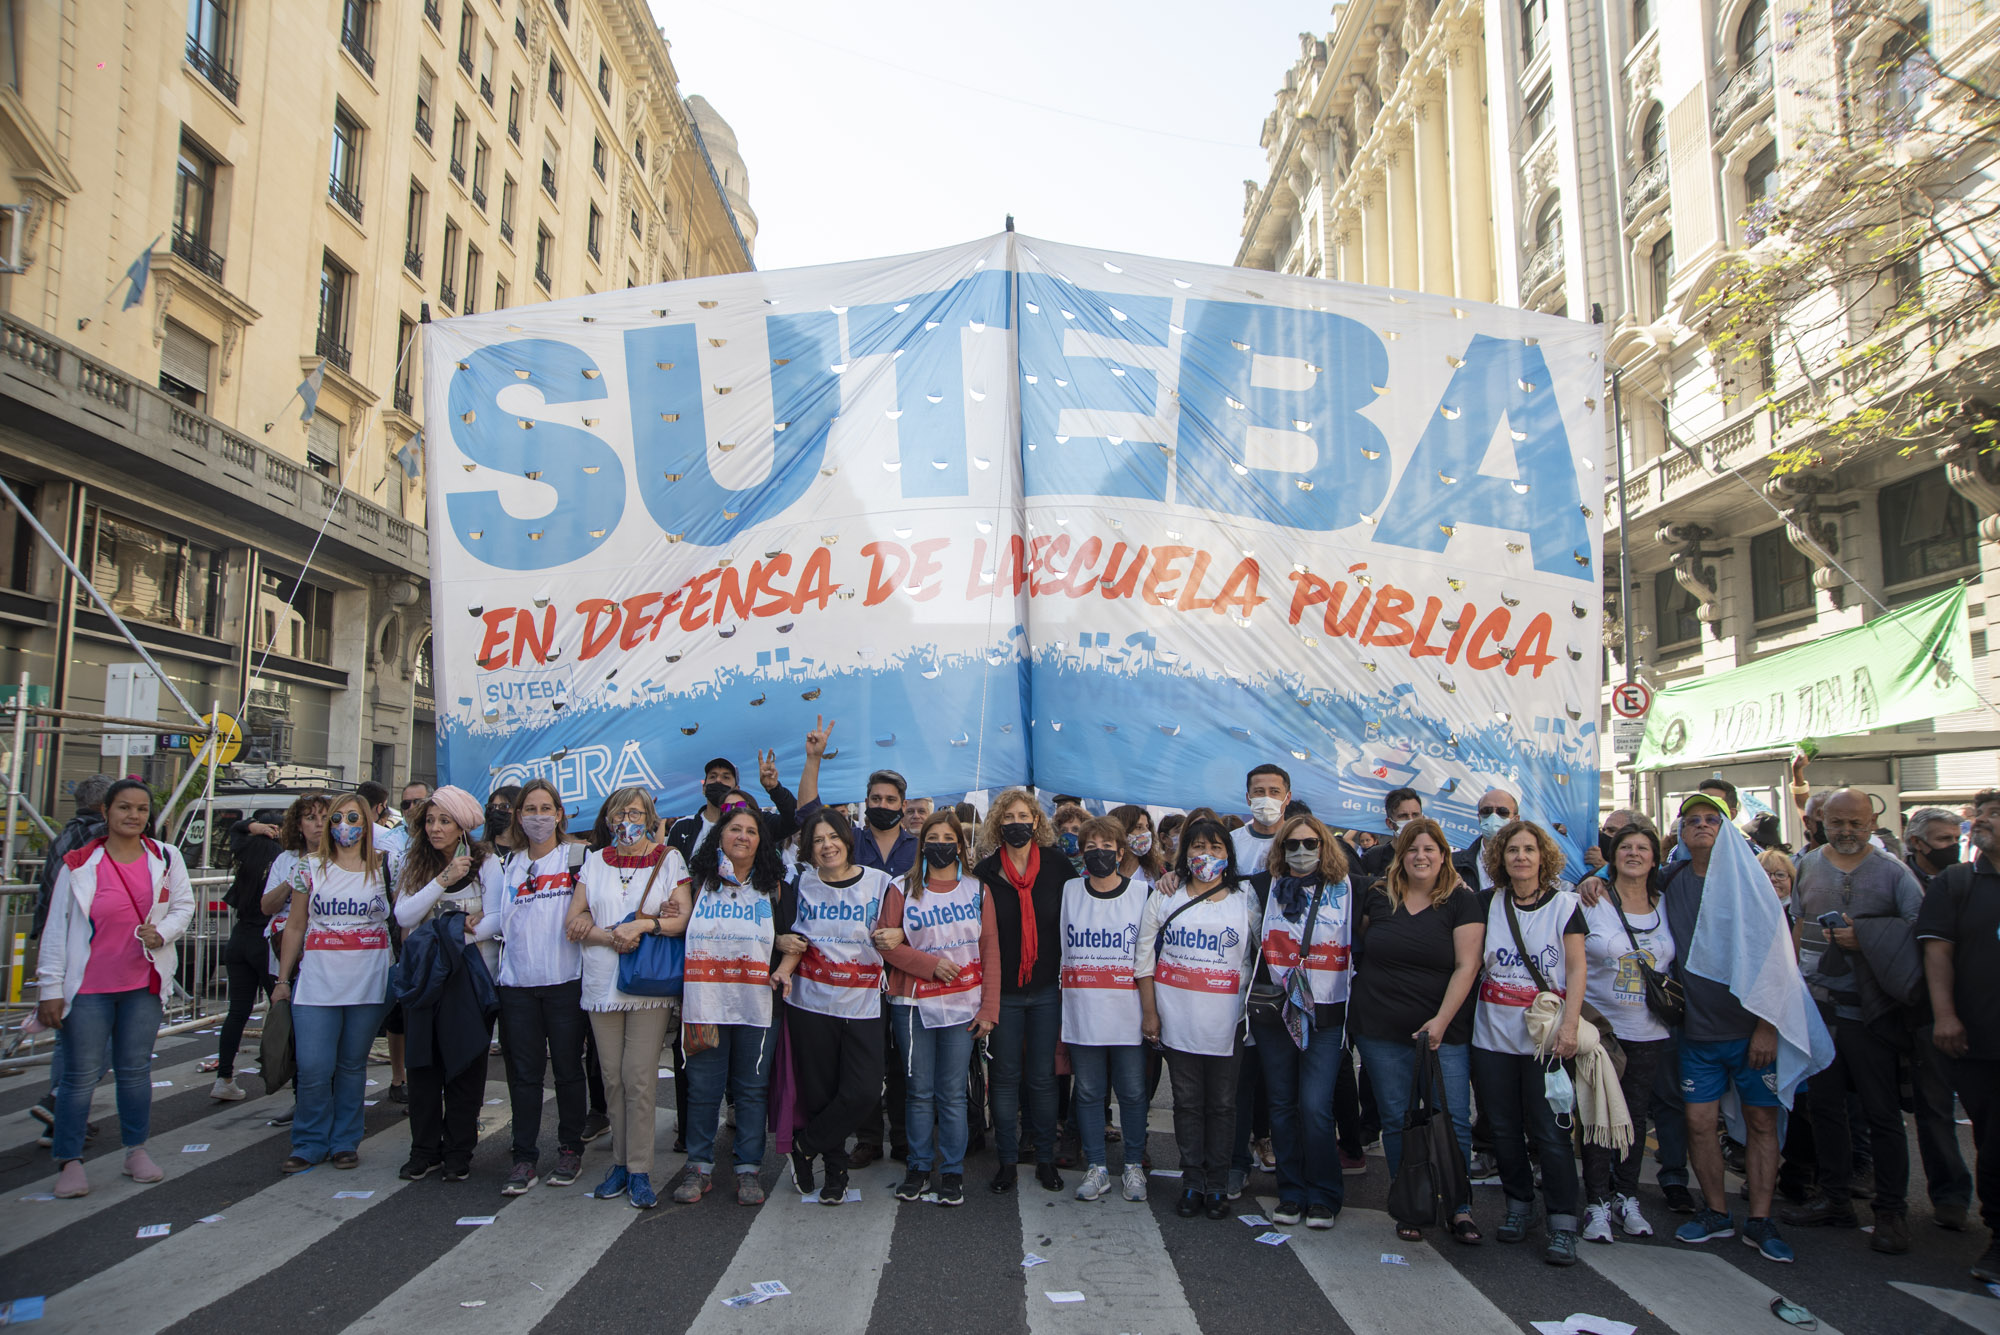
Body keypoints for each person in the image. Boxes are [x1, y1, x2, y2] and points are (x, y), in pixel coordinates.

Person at [36, 779, 194, 1198]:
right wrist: (49, 988)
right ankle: (69, 1160)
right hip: (88, 988)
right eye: (124, 807)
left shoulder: (166, 857)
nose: (133, 816)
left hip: (143, 985)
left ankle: (135, 1150)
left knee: (135, 1071)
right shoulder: (79, 863)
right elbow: (56, 929)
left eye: (141, 809)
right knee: (79, 1075)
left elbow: (183, 906)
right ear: (105, 812)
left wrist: (163, 932)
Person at [1782, 788, 1923, 1253]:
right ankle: (1835, 1199)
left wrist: (1867, 938)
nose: (1845, 831)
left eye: (1855, 823)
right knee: (1825, 1108)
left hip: (1870, 1012)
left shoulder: (1894, 872)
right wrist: (1793, 986)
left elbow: (1920, 932)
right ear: (1821, 822)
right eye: (1836, 822)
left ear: (1872, 824)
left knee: (1881, 1113)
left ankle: (1891, 1212)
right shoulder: (1808, 865)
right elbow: (1797, 925)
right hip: (1818, 1008)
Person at [1660, 791, 1795, 1262]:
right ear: (1680, 832)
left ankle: (1760, 1219)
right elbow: (1622, 876)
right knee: (1699, 1125)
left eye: (1711, 819)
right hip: (1697, 1033)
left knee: (1761, 1122)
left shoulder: (1751, 883)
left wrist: (1767, 1027)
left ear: (1727, 829)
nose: (1701, 825)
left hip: (1751, 1032)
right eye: (1692, 820)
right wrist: (1596, 882)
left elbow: (1778, 958)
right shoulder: (1670, 879)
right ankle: (1716, 1212)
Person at [1352, 817, 1483, 1244]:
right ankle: (1410, 1201)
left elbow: (1467, 966)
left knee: (1453, 1119)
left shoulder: (1462, 901)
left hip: (1443, 1033)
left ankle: (1459, 1207)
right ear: (1400, 855)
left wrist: (1440, 1021)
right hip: (1380, 1030)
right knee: (1397, 1119)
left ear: (1443, 855)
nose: (1420, 856)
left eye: (1429, 849)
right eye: (1412, 849)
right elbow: (1363, 945)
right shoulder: (1377, 896)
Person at [564, 787, 689, 1208]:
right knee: (612, 1077)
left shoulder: (669, 859)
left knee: (639, 1077)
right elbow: (574, 918)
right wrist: (612, 936)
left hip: (647, 985)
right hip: (601, 983)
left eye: (634, 813)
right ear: (608, 819)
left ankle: (639, 1168)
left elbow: (681, 917)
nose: (626, 821)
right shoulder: (595, 861)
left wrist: (642, 926)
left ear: (650, 818)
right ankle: (618, 1162)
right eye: (619, 814)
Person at [1470, 818, 1586, 1265]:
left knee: (1551, 1133)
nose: (1521, 857)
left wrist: (1570, 1027)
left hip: (1546, 1039)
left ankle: (1562, 1221)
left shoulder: (1565, 905)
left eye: (1529, 850)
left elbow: (1576, 969)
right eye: (1512, 850)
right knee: (1502, 1129)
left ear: (1543, 857)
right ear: (1500, 858)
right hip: (1493, 1035)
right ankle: (1519, 1205)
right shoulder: (1487, 903)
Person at [675, 791, 800, 1204]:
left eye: (751, 831)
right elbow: (676, 925)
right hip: (705, 1002)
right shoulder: (697, 884)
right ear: (720, 836)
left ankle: (748, 1169)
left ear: (761, 841)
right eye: (735, 829)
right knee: (703, 1090)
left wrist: (783, 964)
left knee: (751, 1091)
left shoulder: (776, 889)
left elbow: (795, 943)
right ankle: (698, 1167)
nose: (743, 836)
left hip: (758, 1006)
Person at [1137, 815, 1262, 1220]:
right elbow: (1144, 958)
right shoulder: (1165, 895)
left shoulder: (1246, 898)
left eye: (1215, 847)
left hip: (1228, 1022)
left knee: (1223, 1104)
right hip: (1177, 1019)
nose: (1206, 854)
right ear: (1184, 852)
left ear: (1228, 854)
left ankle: (1217, 1184)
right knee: (1187, 1103)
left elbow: (1264, 952)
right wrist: (1150, 1013)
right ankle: (1192, 1181)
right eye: (1198, 846)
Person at [273, 791, 396, 1174]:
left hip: (369, 981)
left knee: (351, 1065)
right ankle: (308, 1142)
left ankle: (345, 1141)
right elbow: (295, 925)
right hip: (317, 982)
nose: (346, 826)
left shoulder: (384, 865)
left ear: (368, 825)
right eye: (338, 818)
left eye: (354, 818)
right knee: (313, 1067)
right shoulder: (308, 867)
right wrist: (282, 979)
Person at [780, 808, 900, 1205]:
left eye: (832, 837)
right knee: (820, 1093)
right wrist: (780, 944)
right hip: (811, 1002)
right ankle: (836, 1173)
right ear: (808, 848)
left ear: (847, 840)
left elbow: (907, 926)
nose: (826, 845)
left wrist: (899, 932)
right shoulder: (800, 883)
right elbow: (780, 931)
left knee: (865, 1090)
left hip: (863, 1002)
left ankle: (804, 1145)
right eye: (817, 840)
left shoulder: (881, 883)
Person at [881, 810, 999, 1206]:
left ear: (960, 846)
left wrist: (990, 1008)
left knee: (951, 1093)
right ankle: (918, 1167)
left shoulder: (978, 890)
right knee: (919, 1091)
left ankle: (951, 1171)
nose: (941, 845)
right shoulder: (901, 887)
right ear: (922, 845)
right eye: (933, 838)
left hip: (964, 1004)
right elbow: (885, 943)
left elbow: (990, 951)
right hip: (913, 1003)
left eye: (948, 839)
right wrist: (929, 966)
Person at [1247, 812, 1355, 1229]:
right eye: (1292, 844)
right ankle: (1291, 1192)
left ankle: (1324, 1194)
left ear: (1325, 846)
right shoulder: (1263, 886)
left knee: (1314, 1106)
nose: (1302, 851)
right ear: (1281, 849)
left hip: (1326, 1013)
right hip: (1275, 1012)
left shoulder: (1351, 888)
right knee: (1281, 1104)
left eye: (1311, 843)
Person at [391, 785, 504, 1181]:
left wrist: (450, 936)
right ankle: (424, 1149)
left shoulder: (486, 862)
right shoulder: (418, 862)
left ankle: (458, 1150)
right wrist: (443, 880)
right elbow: (405, 915)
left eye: (445, 821)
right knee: (423, 1067)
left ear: (462, 827)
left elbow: (497, 917)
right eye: (430, 821)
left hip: (471, 981)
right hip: (425, 981)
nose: (435, 828)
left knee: (465, 1067)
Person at [1578, 825, 1677, 1244]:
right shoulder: (1590, 899)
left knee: (1634, 1118)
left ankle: (1626, 1196)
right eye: (1626, 848)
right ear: (1613, 856)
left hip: (1649, 1030)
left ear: (1655, 858)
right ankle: (1596, 1202)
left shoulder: (1667, 904)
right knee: (1599, 1117)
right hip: (1602, 1029)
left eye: (1643, 848)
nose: (1634, 854)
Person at [1918, 788, 2000, 1281]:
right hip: (1981, 1043)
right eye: (1982, 813)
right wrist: (1945, 1016)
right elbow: (1938, 953)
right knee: (1994, 1143)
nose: (1983, 820)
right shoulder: (1958, 883)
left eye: (1996, 814)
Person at [493, 779, 590, 1195]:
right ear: (518, 817)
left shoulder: (579, 858)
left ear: (559, 814)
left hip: (565, 982)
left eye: (545, 808)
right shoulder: (508, 864)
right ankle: (524, 1157)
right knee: (524, 1076)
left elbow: (600, 905)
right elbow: (497, 917)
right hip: (517, 986)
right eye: (529, 810)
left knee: (568, 1071)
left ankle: (570, 1149)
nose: (538, 817)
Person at [973, 787, 1072, 1194]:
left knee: (1043, 1078)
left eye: (1023, 817)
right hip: (1005, 992)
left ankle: (1045, 1159)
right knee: (1004, 1077)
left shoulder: (1057, 865)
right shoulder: (984, 872)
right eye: (1008, 817)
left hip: (1046, 988)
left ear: (1036, 821)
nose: (1016, 823)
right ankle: (1007, 1163)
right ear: (998, 824)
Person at [1059, 816, 1151, 1205]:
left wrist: (1152, 1013)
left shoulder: (1142, 893)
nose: (1099, 852)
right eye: (1091, 846)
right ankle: (1096, 1166)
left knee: (1132, 1092)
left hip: (1128, 1013)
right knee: (1088, 1091)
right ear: (1081, 852)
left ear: (1121, 851)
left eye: (1107, 846)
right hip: (1083, 1010)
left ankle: (1132, 1165)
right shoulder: (1069, 891)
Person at [27, 775, 114, 1144]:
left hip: (57, 945)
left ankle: (60, 1118)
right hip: (87, 949)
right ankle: (59, 1101)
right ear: (106, 807)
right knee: (108, 1037)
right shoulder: (100, 837)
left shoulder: (65, 833)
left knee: (68, 1038)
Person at [210, 806, 286, 1102]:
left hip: (239, 937)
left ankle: (224, 1077)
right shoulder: (283, 858)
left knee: (237, 1012)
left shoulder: (244, 852)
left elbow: (234, 829)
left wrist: (251, 826)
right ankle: (283, 1073)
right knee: (282, 1010)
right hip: (266, 940)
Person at [664, 754, 801, 863]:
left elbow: (794, 820)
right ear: (704, 788)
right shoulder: (683, 827)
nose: (718, 780)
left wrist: (774, 789)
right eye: (712, 776)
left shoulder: (757, 820)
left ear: (737, 789)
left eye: (726, 777)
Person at [1452, 789, 1518, 890]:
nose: (1493, 816)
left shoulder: (1526, 864)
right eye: (1487, 811)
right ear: (1479, 817)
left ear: (1516, 820)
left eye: (1502, 812)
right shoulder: (1452, 864)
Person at [1231, 764, 1293, 874]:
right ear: (1248, 798)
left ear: (1287, 798)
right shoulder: (1231, 841)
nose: (1266, 798)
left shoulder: (1301, 842)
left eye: (1274, 791)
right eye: (1259, 791)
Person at [1361, 787, 1424, 879]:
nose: (1411, 820)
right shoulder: (1373, 857)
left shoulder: (1433, 856)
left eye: (1415, 815)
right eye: (1403, 816)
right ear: (1390, 823)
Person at [1108, 804, 1165, 886]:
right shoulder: (1103, 870)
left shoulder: (1157, 872)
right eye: (1139, 827)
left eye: (1147, 827)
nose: (1147, 833)